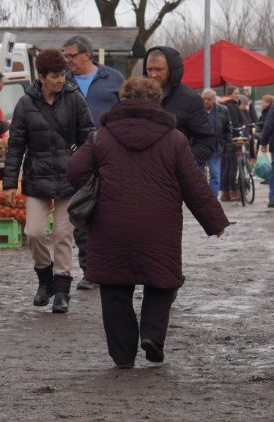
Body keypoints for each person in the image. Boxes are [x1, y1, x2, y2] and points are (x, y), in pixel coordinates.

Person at [68, 77, 229, 367]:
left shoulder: (101, 136)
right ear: (157, 102)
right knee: (163, 281)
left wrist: (98, 187)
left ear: (122, 100)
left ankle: (122, 355)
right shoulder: (175, 139)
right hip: (160, 224)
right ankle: (152, 335)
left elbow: (75, 169)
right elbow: (193, 184)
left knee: (114, 287)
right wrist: (214, 222)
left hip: (110, 223)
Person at [4, 48, 95, 313]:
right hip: (37, 177)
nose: (61, 80)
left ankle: (61, 291)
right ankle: (45, 280)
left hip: (70, 177)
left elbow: (89, 135)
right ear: (41, 77)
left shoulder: (74, 98)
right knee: (33, 232)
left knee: (62, 234)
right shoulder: (25, 104)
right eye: (55, 75)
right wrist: (10, 182)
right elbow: (16, 145)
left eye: (63, 74)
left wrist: (84, 164)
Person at [64, 34, 125, 290]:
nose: (68, 61)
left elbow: (125, 111)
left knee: (111, 213)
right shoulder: (63, 81)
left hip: (110, 154)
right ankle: (89, 271)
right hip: (76, 155)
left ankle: (113, 267)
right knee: (81, 210)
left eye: (71, 56)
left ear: (87, 54)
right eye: (65, 56)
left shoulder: (113, 79)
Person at [144, 46, 215, 168]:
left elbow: (206, 143)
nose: (153, 75)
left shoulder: (191, 100)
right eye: (149, 70)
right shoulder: (139, 95)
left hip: (174, 178)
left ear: (172, 70)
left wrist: (178, 162)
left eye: (159, 69)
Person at [199, 88, 226, 196]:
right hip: (199, 147)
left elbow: (227, 130)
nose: (205, 101)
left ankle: (213, 198)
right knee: (197, 174)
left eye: (208, 99)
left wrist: (226, 148)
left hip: (215, 148)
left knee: (215, 174)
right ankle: (199, 197)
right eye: (204, 99)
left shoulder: (222, 110)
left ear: (214, 99)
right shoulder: (196, 110)